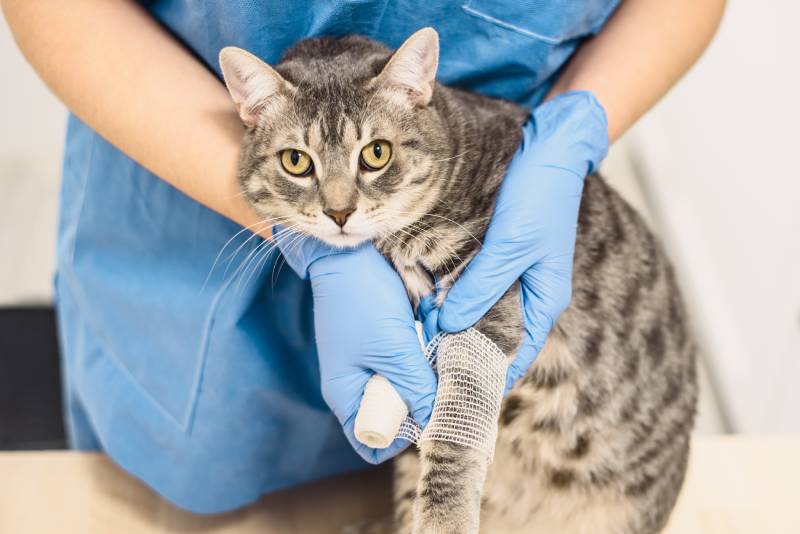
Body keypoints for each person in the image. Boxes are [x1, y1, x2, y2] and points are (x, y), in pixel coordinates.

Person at [2, 0, 725, 514]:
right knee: (166, 494)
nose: (342, 206)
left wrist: (576, 127)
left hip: (468, 173)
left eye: (368, 161)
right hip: (190, 205)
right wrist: (308, 239)